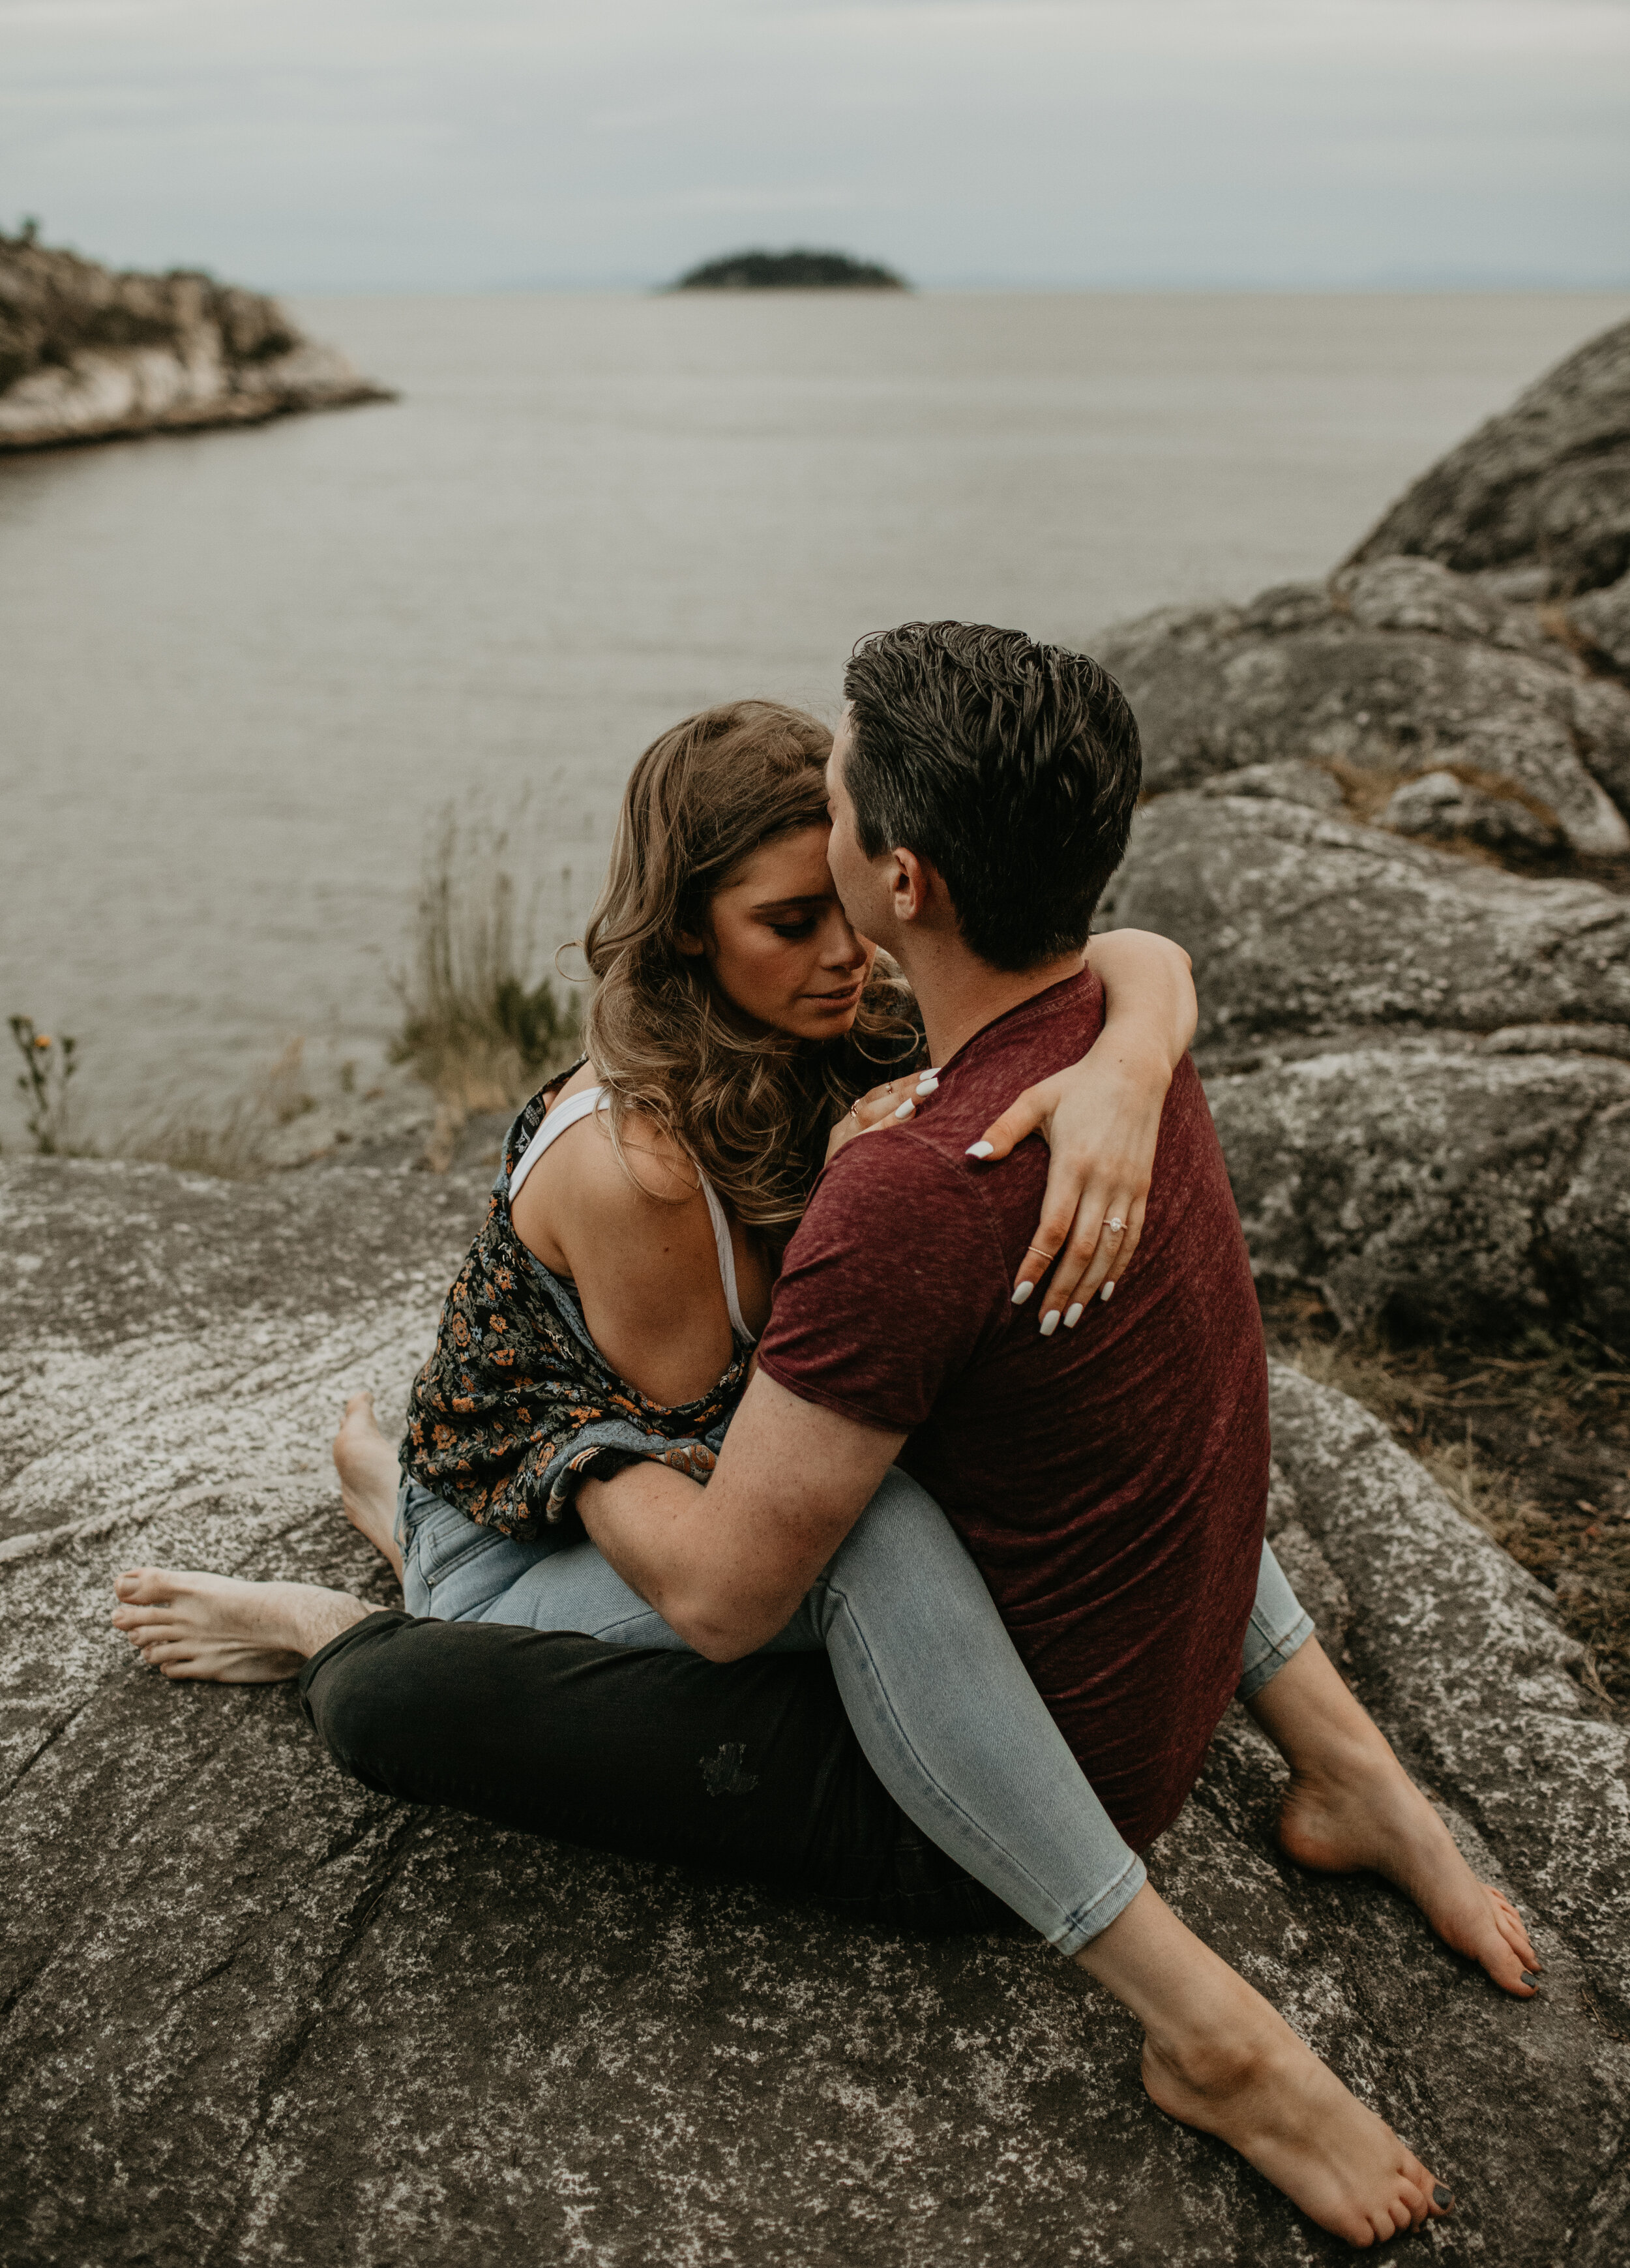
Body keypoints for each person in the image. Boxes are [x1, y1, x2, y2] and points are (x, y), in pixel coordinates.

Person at [112, 652, 1537, 2248]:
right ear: (688, 934)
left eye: (842, 905)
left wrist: (1132, 1061)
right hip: (602, 1508)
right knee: (882, 1507)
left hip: (687, 1491)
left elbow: (1127, 951)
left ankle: (1350, 1770)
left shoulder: (863, 1019)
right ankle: (389, 1587)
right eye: (788, 924)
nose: (844, 954)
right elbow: (742, 1466)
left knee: (1049, 1428)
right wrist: (835, 1231)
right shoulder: (650, 1169)